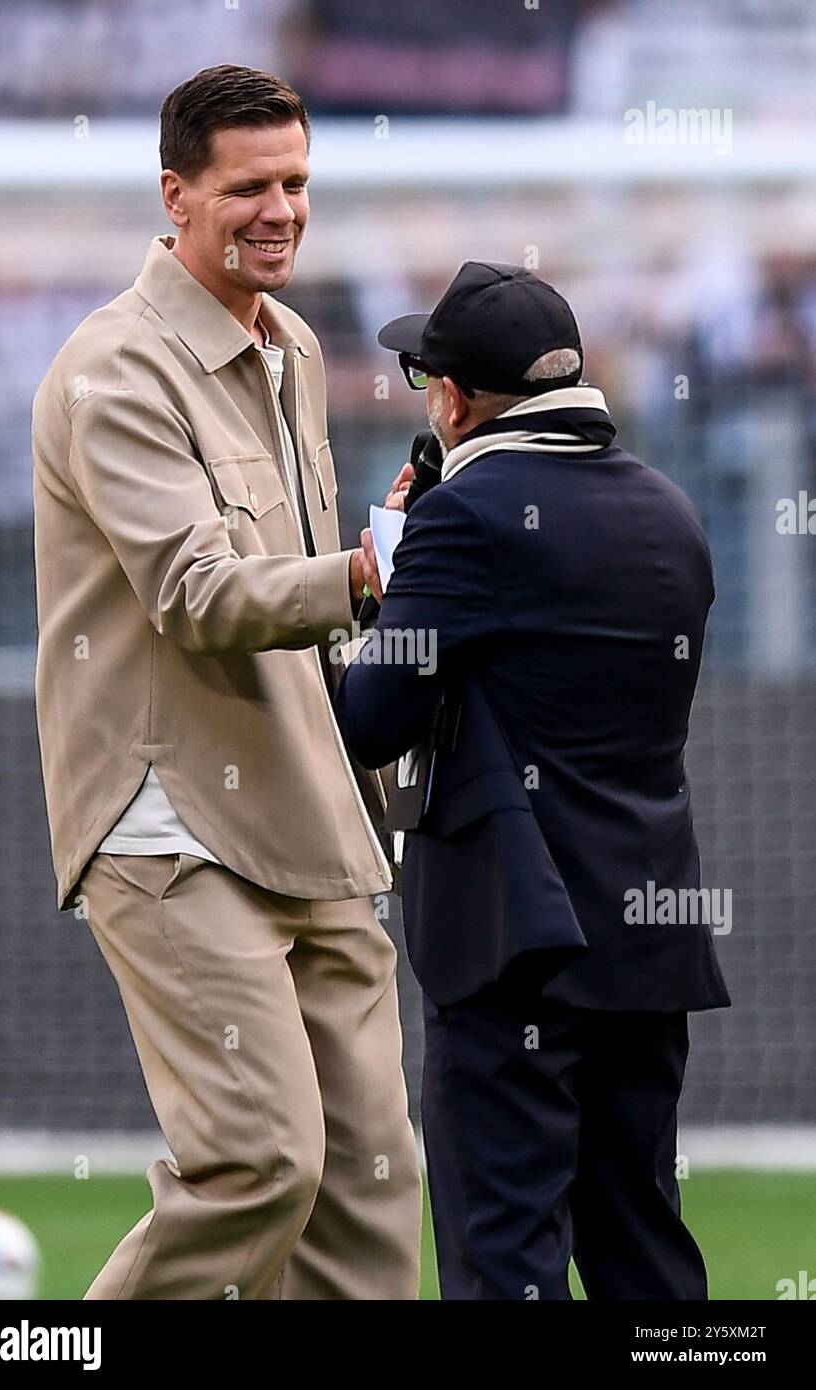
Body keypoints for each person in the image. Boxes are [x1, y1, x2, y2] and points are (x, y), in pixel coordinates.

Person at [31, 64, 422, 1300]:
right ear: (175, 195)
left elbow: (304, 591)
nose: (281, 210)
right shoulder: (114, 372)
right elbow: (198, 594)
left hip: (314, 812)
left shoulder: (294, 343)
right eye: (249, 186)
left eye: (297, 181)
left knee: (366, 1190)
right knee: (258, 1163)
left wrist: (381, 767)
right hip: (171, 825)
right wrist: (363, 570)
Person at [335, 260, 731, 1300]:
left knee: (504, 1256)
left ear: (454, 400)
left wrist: (402, 565)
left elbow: (372, 717)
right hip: (646, 934)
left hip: (512, 942)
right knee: (644, 1247)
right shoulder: (669, 511)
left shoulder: (464, 519)